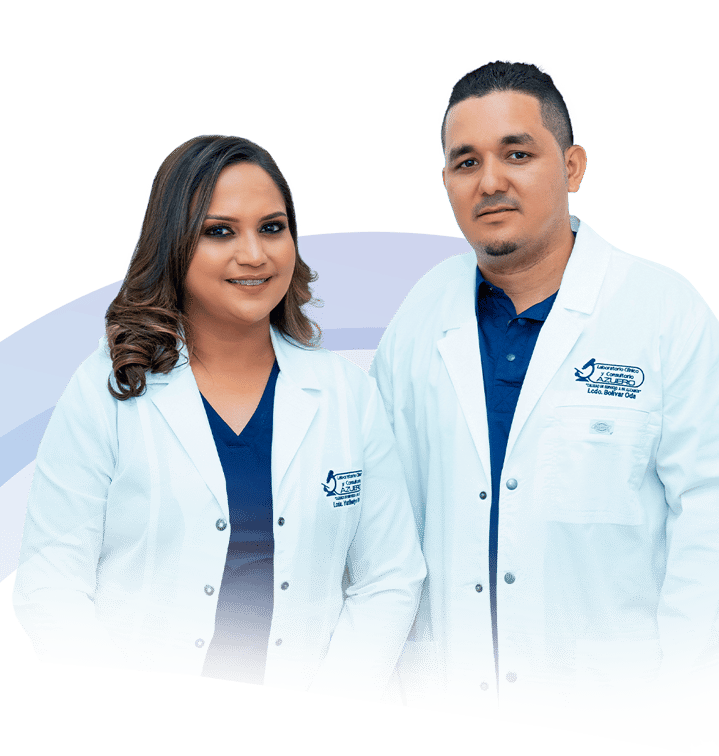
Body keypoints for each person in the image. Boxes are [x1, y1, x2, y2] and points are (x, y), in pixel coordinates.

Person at [370, 60, 719, 751]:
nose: (490, 181)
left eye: (517, 153)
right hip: (439, 704)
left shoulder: (662, 312)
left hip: (616, 715)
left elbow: (714, 534)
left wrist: (684, 724)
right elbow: (375, 523)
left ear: (573, 167)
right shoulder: (419, 316)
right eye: (466, 162)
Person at [12, 134, 425, 704]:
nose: (254, 254)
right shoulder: (108, 386)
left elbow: (389, 579)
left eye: (272, 228)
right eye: (219, 231)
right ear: (173, 245)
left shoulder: (348, 395)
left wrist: (334, 704)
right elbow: (50, 583)